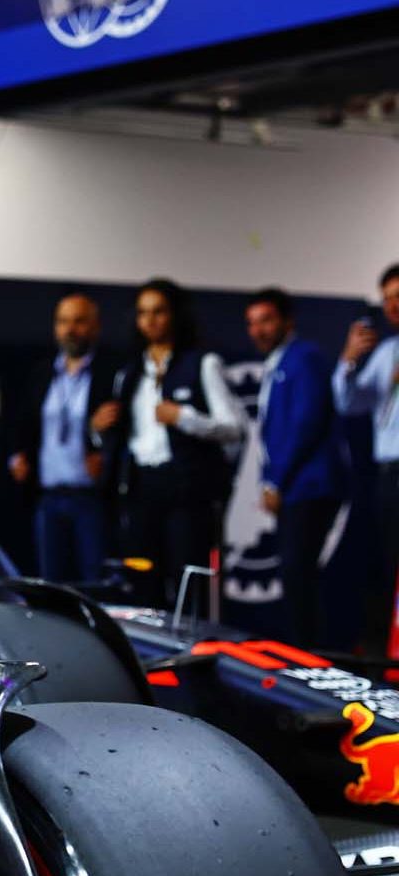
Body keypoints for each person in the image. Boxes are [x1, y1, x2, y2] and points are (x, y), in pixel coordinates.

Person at [95, 279, 245, 609]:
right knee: (142, 579)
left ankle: (193, 655)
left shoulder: (202, 363)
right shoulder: (130, 373)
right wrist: (100, 429)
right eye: (143, 313)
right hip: (141, 488)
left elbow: (235, 427)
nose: (150, 320)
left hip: (186, 488)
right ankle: (149, 656)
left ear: (175, 315)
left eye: (159, 311)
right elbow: (124, 437)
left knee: (188, 582)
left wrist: (185, 417)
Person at [246, 288, 347, 645]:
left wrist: (275, 481)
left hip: (309, 486)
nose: (258, 329)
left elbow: (306, 423)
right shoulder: (281, 363)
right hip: (297, 486)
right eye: (252, 323)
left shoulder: (303, 357)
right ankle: (304, 655)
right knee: (296, 575)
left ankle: (308, 661)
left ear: (288, 321)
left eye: (267, 320)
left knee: (298, 573)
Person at [8, 293, 116, 583]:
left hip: (90, 498)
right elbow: (25, 424)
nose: (70, 329)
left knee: (93, 582)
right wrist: (18, 457)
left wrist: (99, 440)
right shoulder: (43, 373)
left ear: (95, 327)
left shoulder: (111, 374)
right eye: (63, 322)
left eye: (79, 321)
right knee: (49, 583)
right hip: (48, 496)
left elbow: (121, 429)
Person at [335, 263, 399, 652]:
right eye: (388, 299)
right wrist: (349, 359)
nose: (393, 306)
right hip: (389, 475)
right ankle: (384, 655)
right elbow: (349, 401)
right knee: (386, 562)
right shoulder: (388, 350)